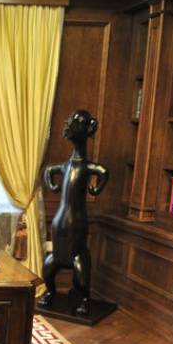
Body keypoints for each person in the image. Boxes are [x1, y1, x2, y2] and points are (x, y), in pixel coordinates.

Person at [37, 110, 109, 316]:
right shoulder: (67, 165)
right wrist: (51, 184)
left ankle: (84, 298)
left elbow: (104, 172)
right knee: (49, 267)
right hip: (59, 224)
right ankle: (50, 292)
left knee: (79, 263)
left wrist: (96, 189)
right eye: (68, 120)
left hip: (76, 224)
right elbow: (48, 170)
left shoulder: (86, 166)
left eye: (73, 122)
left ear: (86, 130)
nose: (67, 124)